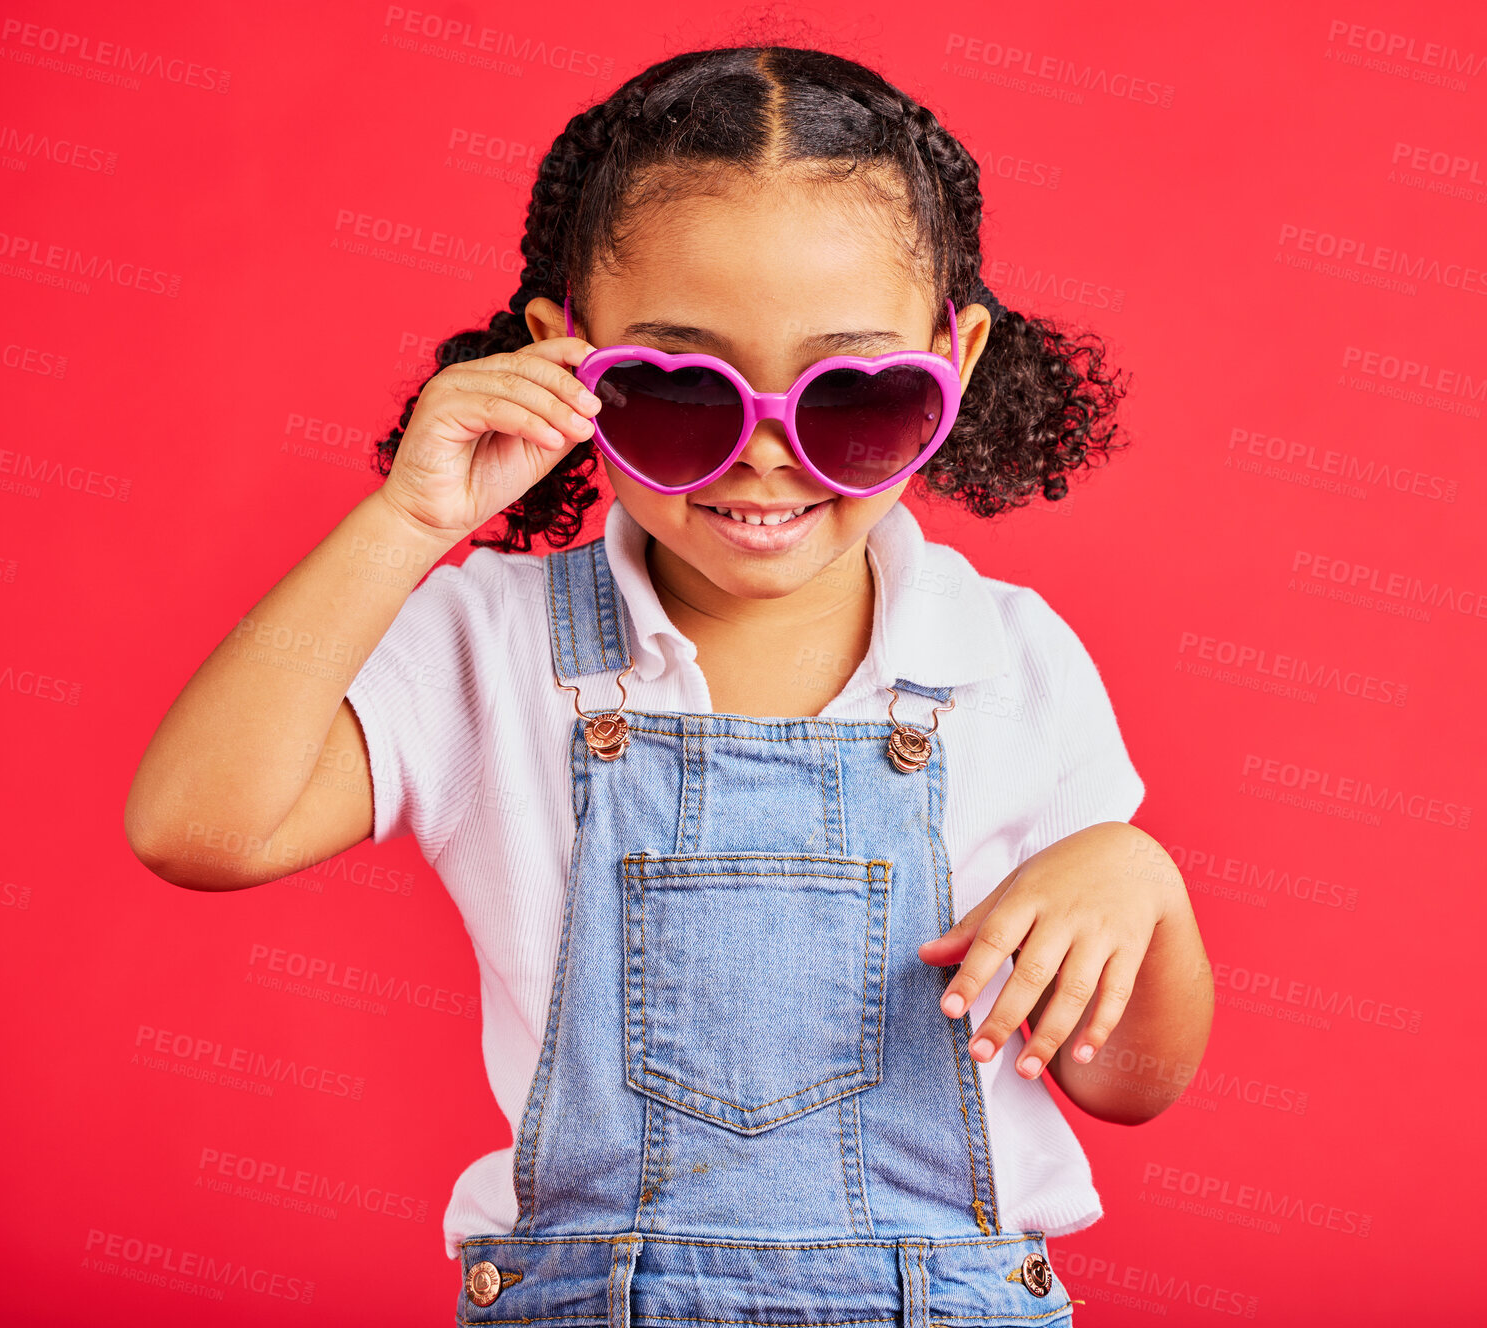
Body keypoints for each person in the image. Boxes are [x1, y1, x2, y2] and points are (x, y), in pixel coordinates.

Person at [125, 44, 1213, 1326]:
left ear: (952, 362)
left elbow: (1130, 1081)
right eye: (677, 393)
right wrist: (407, 521)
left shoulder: (1012, 657)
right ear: (561, 357)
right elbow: (195, 825)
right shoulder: (492, 643)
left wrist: (1142, 880)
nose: (762, 459)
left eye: (853, 396)